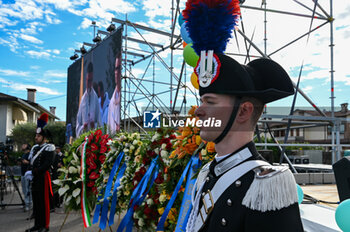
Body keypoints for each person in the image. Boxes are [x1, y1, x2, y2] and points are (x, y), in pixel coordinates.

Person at [183, 1, 304, 231]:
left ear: (244, 111)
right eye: (201, 101)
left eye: (210, 101)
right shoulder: (208, 174)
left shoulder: (267, 185)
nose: (198, 110)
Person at [25, 113, 55, 232]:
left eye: (38, 136)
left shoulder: (49, 147)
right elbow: (31, 163)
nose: (35, 137)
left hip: (43, 177)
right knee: (36, 202)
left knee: (44, 202)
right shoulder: (34, 148)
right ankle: (37, 224)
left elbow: (47, 164)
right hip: (35, 178)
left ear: (44, 137)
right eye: (36, 135)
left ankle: (45, 226)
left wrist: (35, 171)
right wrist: (29, 172)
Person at [76, 62, 102, 137]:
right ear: (85, 80)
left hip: (93, 138)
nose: (89, 83)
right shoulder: (83, 100)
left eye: (90, 80)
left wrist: (94, 126)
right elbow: (78, 122)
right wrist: (83, 128)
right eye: (88, 80)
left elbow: (99, 121)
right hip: (84, 138)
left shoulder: (96, 98)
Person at [107, 53, 121, 134]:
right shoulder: (112, 101)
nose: (117, 72)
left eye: (119, 68)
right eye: (116, 69)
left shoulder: (126, 95)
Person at [20, 143, 32, 211]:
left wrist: (27, 162)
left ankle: (29, 204)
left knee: (28, 190)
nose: (22, 146)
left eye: (24, 145)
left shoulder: (30, 154)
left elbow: (32, 163)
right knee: (24, 190)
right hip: (22, 174)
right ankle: (26, 203)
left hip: (27, 174)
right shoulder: (23, 154)